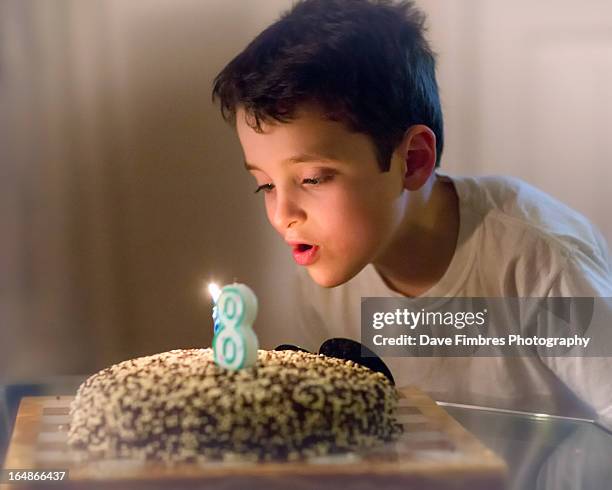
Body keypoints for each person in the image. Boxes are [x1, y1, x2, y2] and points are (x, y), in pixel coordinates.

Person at [212, 0, 612, 427]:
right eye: (266, 185)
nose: (282, 215)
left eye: (312, 178)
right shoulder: (321, 278)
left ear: (414, 161)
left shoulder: (539, 263)